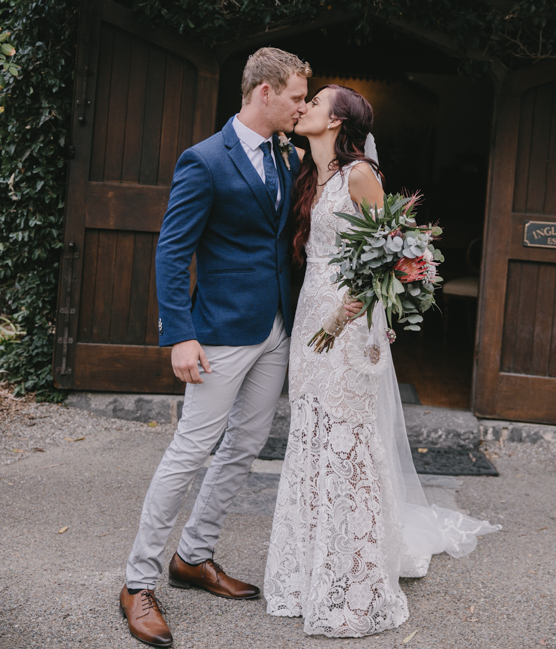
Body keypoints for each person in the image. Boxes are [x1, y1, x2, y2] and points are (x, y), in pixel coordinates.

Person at [264, 84, 500, 638]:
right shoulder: (309, 173)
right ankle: (307, 570)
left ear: (337, 120)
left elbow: (398, 253)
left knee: (346, 436)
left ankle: (355, 578)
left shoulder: (359, 175)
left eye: (316, 102)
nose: (306, 107)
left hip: (347, 322)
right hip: (310, 313)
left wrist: (351, 312)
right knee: (311, 431)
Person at [120, 47, 314, 648]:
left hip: (276, 328)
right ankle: (137, 582)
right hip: (219, 333)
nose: (302, 106)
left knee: (245, 447)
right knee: (191, 450)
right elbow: (172, 250)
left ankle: (194, 556)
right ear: (264, 92)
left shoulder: (289, 156)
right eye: (296, 97)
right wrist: (180, 333)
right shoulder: (203, 160)